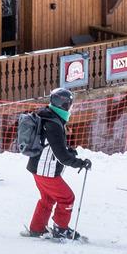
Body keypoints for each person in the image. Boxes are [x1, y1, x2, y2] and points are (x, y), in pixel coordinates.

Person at [25, 86, 91, 239]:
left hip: (37, 167)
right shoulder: (53, 124)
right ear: (64, 105)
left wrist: (68, 151)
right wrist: (80, 163)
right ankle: (61, 229)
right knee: (67, 198)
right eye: (70, 104)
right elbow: (61, 156)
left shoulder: (48, 116)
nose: (71, 107)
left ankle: (37, 228)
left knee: (47, 199)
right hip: (46, 170)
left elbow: (53, 145)